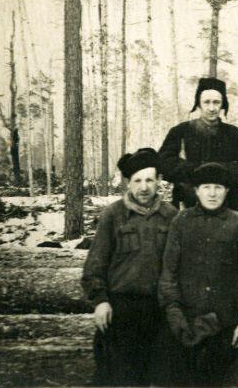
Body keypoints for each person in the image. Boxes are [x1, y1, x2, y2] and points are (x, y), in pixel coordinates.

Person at [81, 148, 178, 386]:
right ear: (128, 183)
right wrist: (101, 301)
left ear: (159, 182)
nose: (143, 187)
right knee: (118, 377)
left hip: (160, 310)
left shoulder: (172, 216)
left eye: (149, 180)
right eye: (137, 180)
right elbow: (95, 265)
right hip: (122, 308)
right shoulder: (113, 215)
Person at [157, 163, 238, 386]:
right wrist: (174, 313)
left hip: (226, 321)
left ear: (227, 191)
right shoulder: (181, 222)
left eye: (218, 187)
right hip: (186, 318)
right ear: (196, 190)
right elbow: (169, 274)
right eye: (206, 187)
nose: (212, 193)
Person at [158, 77, 238, 212]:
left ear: (222, 105)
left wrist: (217, 171)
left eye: (216, 102)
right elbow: (164, 163)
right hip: (188, 207)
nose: (212, 108)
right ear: (198, 104)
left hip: (229, 209)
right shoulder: (181, 131)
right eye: (207, 102)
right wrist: (195, 170)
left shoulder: (234, 134)